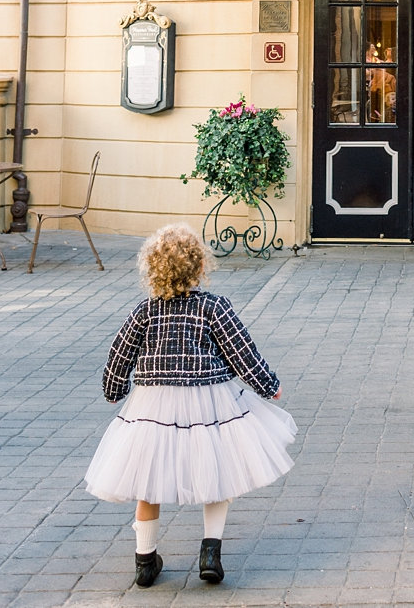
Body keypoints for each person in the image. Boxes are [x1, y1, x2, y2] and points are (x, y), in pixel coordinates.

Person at [85, 223, 296, 589]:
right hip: (208, 399)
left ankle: (145, 560)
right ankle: (210, 553)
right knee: (216, 472)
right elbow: (242, 352)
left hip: (153, 404)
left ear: (152, 269)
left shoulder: (144, 312)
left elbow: (118, 356)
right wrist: (269, 385)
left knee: (147, 479)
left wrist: (113, 389)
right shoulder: (214, 307)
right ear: (200, 266)